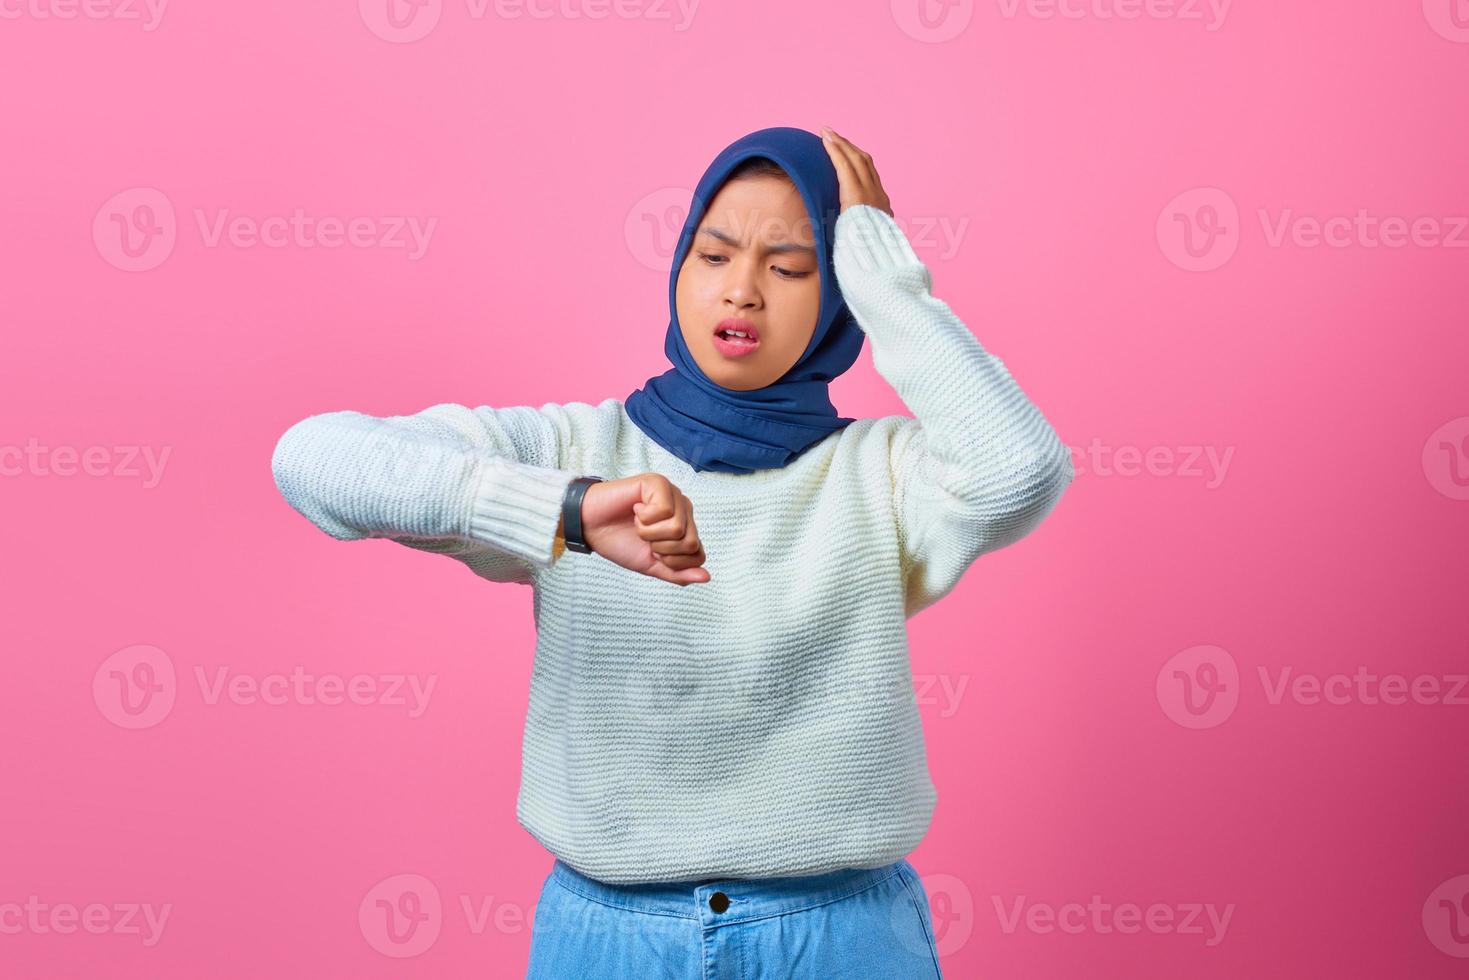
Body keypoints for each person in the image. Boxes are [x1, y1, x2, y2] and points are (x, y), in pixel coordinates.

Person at [270, 125, 1074, 978]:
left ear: (839, 295)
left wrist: (886, 277)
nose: (743, 292)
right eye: (713, 254)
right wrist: (565, 509)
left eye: (792, 267)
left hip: (841, 934)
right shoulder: (573, 445)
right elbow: (311, 459)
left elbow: (1018, 470)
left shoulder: (882, 473)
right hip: (609, 937)